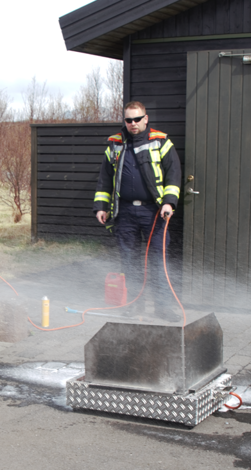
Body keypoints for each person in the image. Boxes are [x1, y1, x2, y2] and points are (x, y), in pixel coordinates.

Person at [93, 101, 182, 322]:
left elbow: (174, 175)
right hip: (124, 214)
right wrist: (101, 207)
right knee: (130, 263)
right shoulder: (114, 145)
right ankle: (135, 306)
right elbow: (104, 180)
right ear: (125, 121)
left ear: (146, 119)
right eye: (128, 120)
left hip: (154, 213)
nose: (133, 124)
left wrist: (169, 202)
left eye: (137, 119)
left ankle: (162, 307)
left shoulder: (161, 142)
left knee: (158, 262)